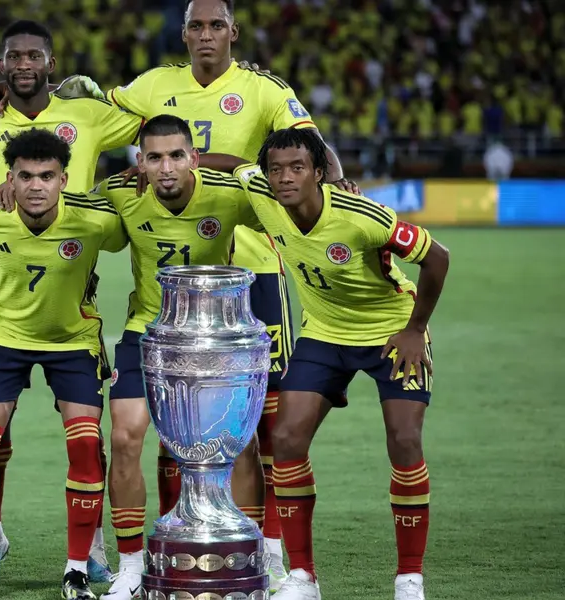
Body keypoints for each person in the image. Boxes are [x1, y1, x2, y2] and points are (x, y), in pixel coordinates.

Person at [48, 1, 358, 585]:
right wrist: (54, 97)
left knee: (261, 428)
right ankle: (161, 549)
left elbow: (316, 153)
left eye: (218, 25)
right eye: (197, 25)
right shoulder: (153, 85)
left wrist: (338, 190)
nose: (207, 35)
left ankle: (263, 550)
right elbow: (89, 110)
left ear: (233, 32)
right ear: (184, 32)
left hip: (253, 278)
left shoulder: (264, 89)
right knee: (172, 430)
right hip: (172, 296)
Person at [0, 18, 148, 583]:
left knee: (83, 435)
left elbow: (158, 124)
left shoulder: (88, 115)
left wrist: (97, 90)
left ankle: (89, 546)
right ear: (0, 66)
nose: (24, 65)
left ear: (51, 63)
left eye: (34, 56)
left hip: (75, 285)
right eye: (14, 57)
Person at [237, 128, 449, 600]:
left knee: (405, 439)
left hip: (390, 333)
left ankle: (409, 578)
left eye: (297, 168)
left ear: (319, 172)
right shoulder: (262, 194)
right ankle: (303, 578)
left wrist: (415, 329)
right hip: (325, 333)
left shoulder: (360, 215)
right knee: (287, 438)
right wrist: (177, 160)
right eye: (276, 169)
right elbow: (230, 161)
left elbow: (438, 258)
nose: (285, 178)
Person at [0, 129, 128, 600]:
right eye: (25, 176)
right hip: (0, 340)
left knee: (86, 448)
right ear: (9, 177)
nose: (35, 186)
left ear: (64, 179)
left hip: (73, 342)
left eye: (47, 176)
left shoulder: (94, 220)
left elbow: (138, 209)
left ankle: (76, 568)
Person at [89, 114, 262, 600]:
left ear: (195, 159)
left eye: (177, 156)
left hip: (211, 341)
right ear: (139, 162)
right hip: (146, 334)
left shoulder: (229, 197)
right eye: (154, 157)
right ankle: (129, 567)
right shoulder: (121, 196)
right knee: (124, 438)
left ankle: (255, 551)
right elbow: (69, 207)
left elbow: (285, 195)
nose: (166, 168)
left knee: (239, 446)